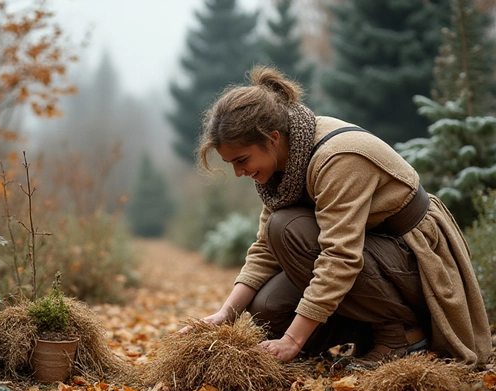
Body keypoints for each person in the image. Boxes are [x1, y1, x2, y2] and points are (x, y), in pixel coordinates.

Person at [192, 65, 491, 369]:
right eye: (232, 163)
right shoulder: (283, 168)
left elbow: (340, 257)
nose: (239, 172)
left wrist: (293, 341)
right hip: (376, 260)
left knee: (286, 227)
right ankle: (371, 331)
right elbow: (265, 249)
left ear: (271, 138)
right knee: (266, 308)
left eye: (242, 160)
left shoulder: (338, 158)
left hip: (420, 260)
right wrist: (226, 313)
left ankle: (403, 334)